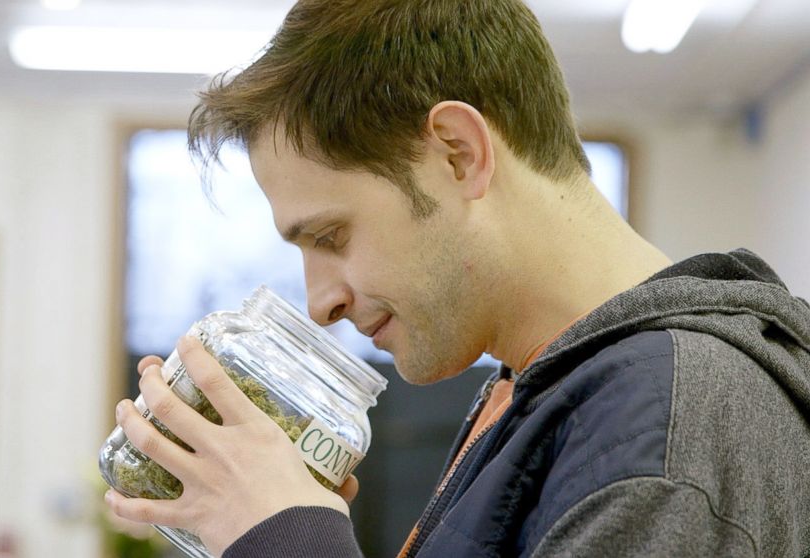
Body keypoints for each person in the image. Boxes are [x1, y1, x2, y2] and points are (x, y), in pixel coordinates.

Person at [106, 0, 810, 556]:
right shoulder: (538, 390)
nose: (320, 302)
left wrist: (289, 538)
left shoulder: (665, 423)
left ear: (457, 153)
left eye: (330, 235)